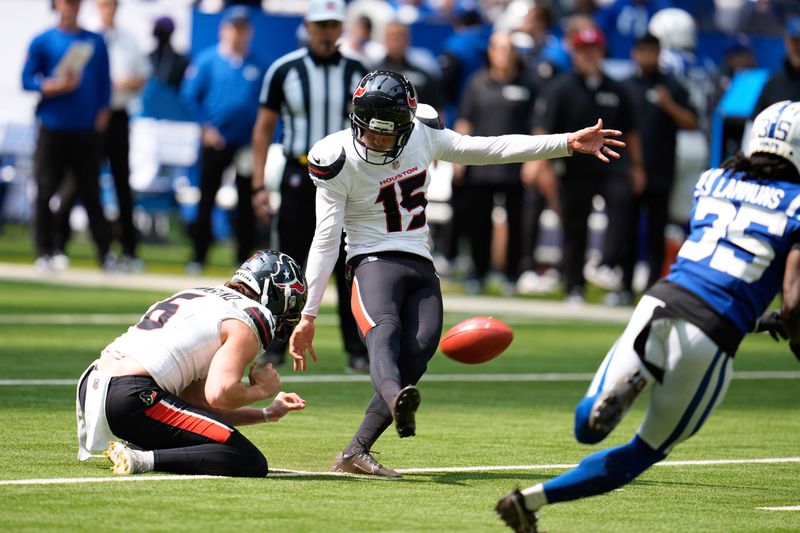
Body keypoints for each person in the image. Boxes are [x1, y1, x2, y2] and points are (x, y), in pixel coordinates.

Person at [288, 70, 626, 476]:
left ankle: (355, 451)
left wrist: (566, 143)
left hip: (419, 260)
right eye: (369, 132)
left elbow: (490, 148)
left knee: (422, 346)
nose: (376, 141)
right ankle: (397, 401)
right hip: (370, 260)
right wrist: (308, 313)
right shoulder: (335, 158)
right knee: (386, 333)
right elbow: (325, 240)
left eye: (386, 133)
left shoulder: (424, 132)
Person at [495, 99, 800, 532]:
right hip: (710, 333)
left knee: (587, 426)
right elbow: (792, 299)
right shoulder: (796, 204)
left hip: (659, 302)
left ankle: (624, 387)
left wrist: (756, 316)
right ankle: (530, 500)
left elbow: (713, 269)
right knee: (644, 451)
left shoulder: (714, 180)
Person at [76, 250, 308, 477]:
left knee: (208, 439)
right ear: (275, 293)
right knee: (249, 460)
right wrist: (261, 390)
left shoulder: (201, 293)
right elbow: (220, 394)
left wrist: (267, 414)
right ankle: (142, 459)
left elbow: (198, 404)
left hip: (93, 385)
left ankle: (142, 445)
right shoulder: (252, 316)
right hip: (133, 396)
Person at [251, 0, 369, 373]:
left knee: (348, 267)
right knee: (289, 266)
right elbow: (264, 127)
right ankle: (276, 346)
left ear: (341, 28)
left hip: (347, 179)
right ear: (308, 26)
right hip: (299, 175)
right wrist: (258, 184)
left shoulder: (357, 72)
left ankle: (358, 351)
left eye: (334, 24)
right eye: (321, 25)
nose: (327, 32)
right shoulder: (284, 69)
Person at [532, 24, 645, 304]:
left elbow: (631, 130)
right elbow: (543, 129)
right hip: (575, 167)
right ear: (575, 53)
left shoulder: (617, 89)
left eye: (593, 50)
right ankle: (574, 285)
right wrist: (542, 167)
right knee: (574, 226)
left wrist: (638, 166)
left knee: (623, 211)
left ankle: (612, 270)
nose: (589, 56)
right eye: (583, 50)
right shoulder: (560, 88)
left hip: (613, 165)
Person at [21, 0, 114, 272]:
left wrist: (103, 110)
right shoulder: (42, 40)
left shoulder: (94, 41)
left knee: (91, 192)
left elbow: (104, 81)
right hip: (52, 125)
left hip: (85, 130)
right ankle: (44, 251)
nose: (69, 7)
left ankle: (105, 253)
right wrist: (52, 85)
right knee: (45, 188)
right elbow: (27, 79)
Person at [181, 6, 265, 272]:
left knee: (246, 203)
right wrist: (206, 128)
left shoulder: (256, 65)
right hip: (215, 141)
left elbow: (264, 105)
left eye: (243, 28)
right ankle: (199, 255)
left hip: (245, 144)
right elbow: (190, 96)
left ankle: (243, 259)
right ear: (224, 29)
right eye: (234, 27)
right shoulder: (208, 60)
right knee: (207, 198)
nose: (238, 34)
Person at [454, 30, 538, 294]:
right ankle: (477, 273)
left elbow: (538, 126)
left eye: (508, 48)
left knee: (516, 222)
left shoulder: (528, 85)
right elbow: (465, 120)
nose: (503, 53)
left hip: (515, 166)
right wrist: (457, 157)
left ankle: (512, 275)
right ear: (490, 51)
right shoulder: (477, 83)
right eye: (498, 48)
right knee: (478, 222)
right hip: (480, 166)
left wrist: (535, 161)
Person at [622, 33, 697, 290]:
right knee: (626, 231)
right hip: (629, 171)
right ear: (634, 53)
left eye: (651, 51)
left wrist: (668, 105)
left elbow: (692, 122)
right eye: (642, 51)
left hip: (662, 170)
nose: (646, 56)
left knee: (656, 232)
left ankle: (652, 286)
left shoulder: (672, 87)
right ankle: (623, 285)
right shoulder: (625, 86)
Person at [93, 0, 150, 270]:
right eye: (104, 5)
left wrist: (126, 83)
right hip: (91, 117)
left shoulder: (128, 39)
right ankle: (66, 244)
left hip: (118, 114)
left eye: (112, 5)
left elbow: (142, 77)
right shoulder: (89, 37)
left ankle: (128, 247)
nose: (108, 10)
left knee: (121, 182)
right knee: (82, 181)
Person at [752, 16, 800, 115]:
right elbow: (754, 123)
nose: (798, 47)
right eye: (795, 41)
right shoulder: (773, 84)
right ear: (787, 42)